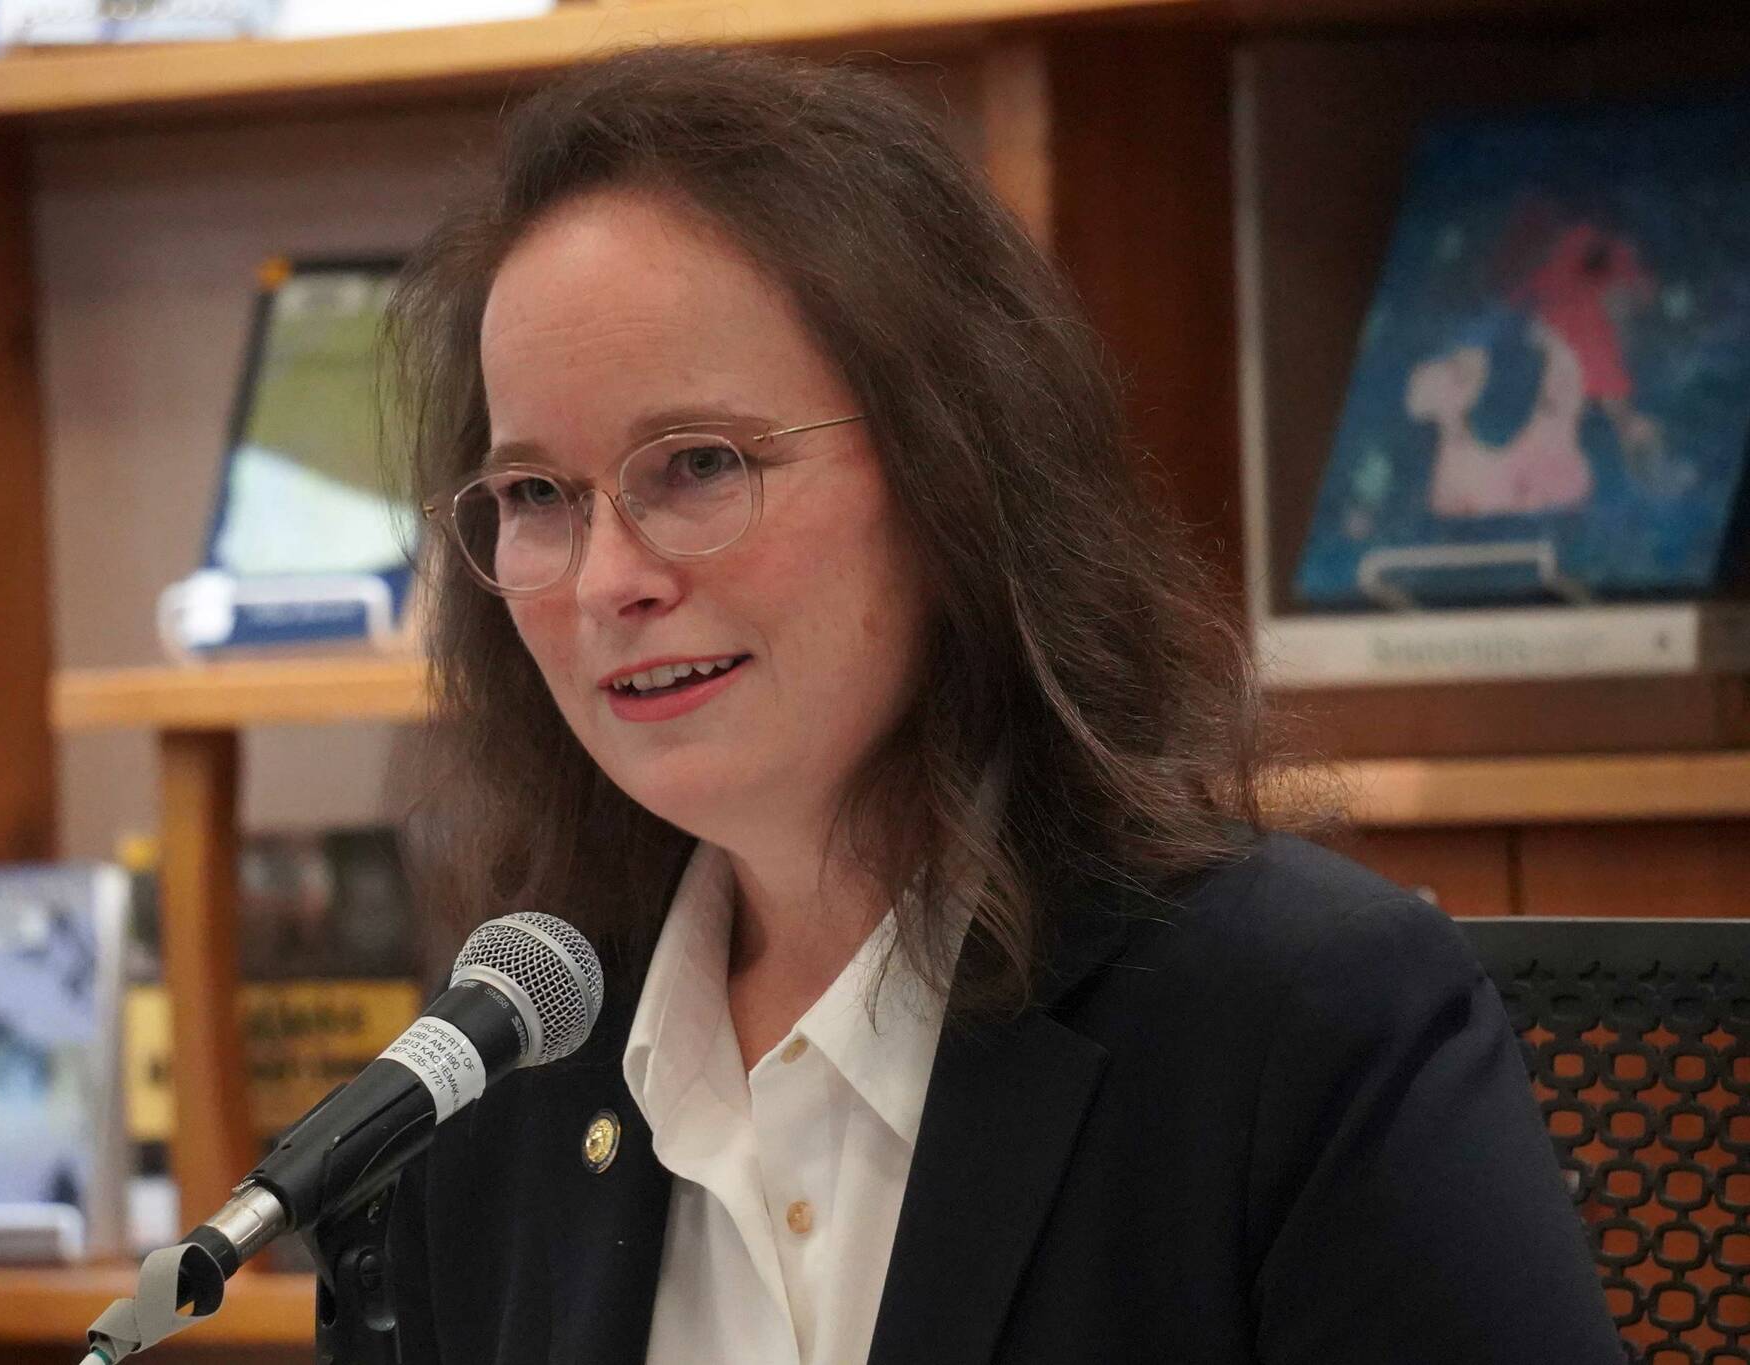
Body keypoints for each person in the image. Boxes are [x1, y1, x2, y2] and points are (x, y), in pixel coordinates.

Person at [377, 44, 1623, 1365]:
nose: (608, 579)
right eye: (535, 497)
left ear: (951, 466)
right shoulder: (500, 1076)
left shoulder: (1295, 1024)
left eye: (697, 463)